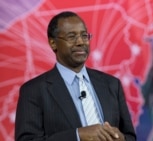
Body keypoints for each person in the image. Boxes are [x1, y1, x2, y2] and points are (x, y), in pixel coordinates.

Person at [15, 11, 136, 141]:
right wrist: (78, 135)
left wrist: (121, 138)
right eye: (71, 37)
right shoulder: (33, 90)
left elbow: (130, 136)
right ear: (53, 43)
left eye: (84, 36)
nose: (80, 42)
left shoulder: (112, 84)